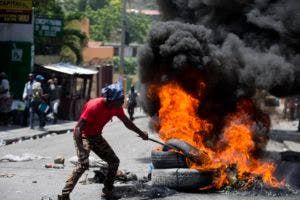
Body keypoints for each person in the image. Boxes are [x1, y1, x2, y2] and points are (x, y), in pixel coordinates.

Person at [57, 81, 148, 200]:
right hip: (83, 136)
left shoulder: (116, 108)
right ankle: (64, 195)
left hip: (96, 136)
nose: (123, 101)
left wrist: (141, 133)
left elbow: (127, 122)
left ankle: (107, 191)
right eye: (120, 99)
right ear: (112, 100)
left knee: (114, 161)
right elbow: (78, 129)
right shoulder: (94, 106)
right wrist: (82, 151)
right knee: (83, 165)